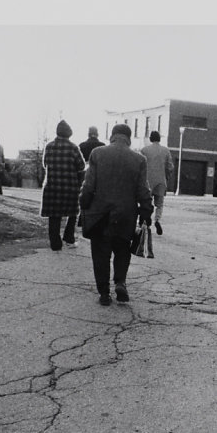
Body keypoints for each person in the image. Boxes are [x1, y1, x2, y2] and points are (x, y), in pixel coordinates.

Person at [79, 123, 152, 306]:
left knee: (100, 253)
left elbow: (88, 186)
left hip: (100, 214)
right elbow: (143, 190)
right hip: (126, 214)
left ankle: (104, 293)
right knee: (122, 249)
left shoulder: (97, 153)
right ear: (128, 138)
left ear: (112, 135)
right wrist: (146, 212)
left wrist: (84, 203)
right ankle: (120, 282)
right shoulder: (139, 159)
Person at [40, 120, 86, 251]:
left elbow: (44, 164)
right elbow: (81, 166)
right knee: (73, 212)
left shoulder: (49, 146)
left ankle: (55, 244)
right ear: (69, 133)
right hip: (69, 186)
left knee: (54, 215)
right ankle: (68, 236)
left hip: (52, 186)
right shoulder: (73, 147)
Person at [140, 130, 174, 237]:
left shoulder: (144, 150)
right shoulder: (166, 151)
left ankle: (146, 221)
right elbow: (170, 167)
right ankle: (157, 220)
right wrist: (166, 177)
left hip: (147, 181)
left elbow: (140, 166)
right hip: (161, 181)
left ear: (150, 138)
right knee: (159, 204)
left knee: (146, 203)